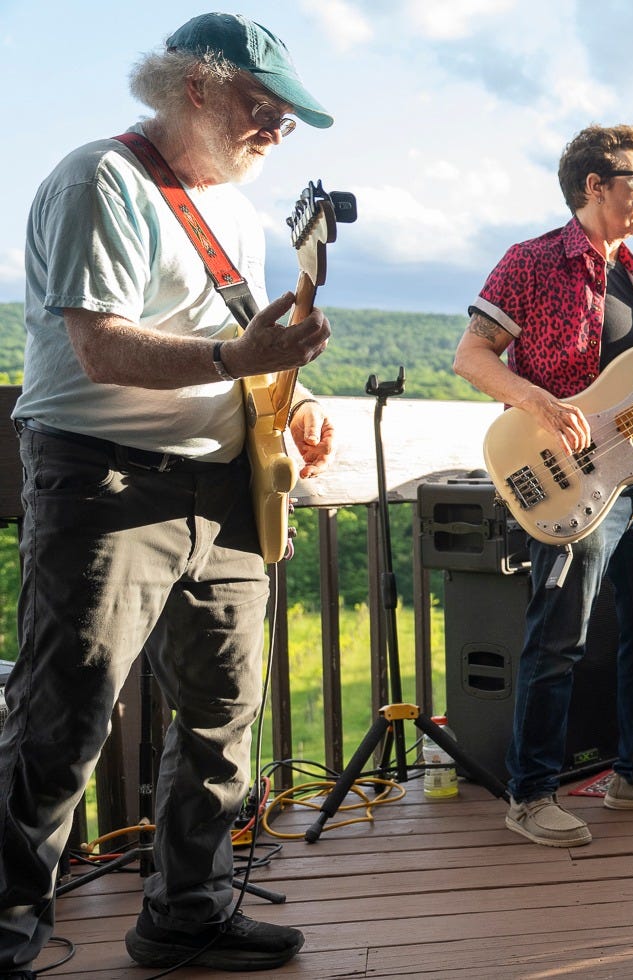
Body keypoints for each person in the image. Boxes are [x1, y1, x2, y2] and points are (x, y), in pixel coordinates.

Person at [0, 13, 337, 976]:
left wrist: (294, 402)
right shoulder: (100, 179)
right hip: (104, 483)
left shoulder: (234, 209)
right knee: (64, 719)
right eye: (263, 107)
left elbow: (241, 350)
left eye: (287, 119)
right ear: (196, 87)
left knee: (224, 715)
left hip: (223, 494)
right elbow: (100, 348)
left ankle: (187, 912)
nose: (277, 131)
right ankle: (7, 934)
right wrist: (238, 357)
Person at [453, 124, 633, 851]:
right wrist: (537, 402)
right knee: (558, 640)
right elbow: (471, 356)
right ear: (594, 186)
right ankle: (531, 793)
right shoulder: (531, 262)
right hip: (570, 481)